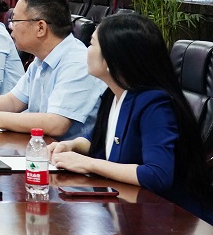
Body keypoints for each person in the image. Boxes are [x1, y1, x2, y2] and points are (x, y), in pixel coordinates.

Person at [49, 14, 213, 223]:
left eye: (92, 44)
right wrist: (72, 145)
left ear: (112, 59)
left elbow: (157, 175)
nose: (86, 50)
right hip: (130, 211)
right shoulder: (115, 94)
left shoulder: (155, 104)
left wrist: (89, 164)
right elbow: (100, 137)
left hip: (169, 220)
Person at [0, 0, 106, 140]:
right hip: (41, 145)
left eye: (15, 20)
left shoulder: (77, 62)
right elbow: (13, 101)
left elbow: (56, 124)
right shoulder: (41, 58)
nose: (10, 26)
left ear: (40, 28)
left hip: (68, 154)